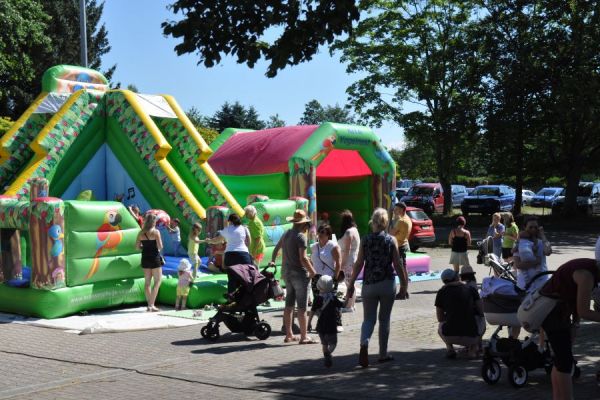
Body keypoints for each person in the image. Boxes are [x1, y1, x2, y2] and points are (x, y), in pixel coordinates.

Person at [346, 208, 409, 367]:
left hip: (369, 284)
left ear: (372, 222)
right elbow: (397, 263)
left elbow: (359, 263)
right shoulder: (391, 240)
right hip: (387, 283)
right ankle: (382, 354)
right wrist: (404, 285)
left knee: (368, 319)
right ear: (386, 222)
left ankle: (364, 343)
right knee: (384, 319)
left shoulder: (365, 240)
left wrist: (351, 283)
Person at [540, 256, 600, 400]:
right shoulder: (587, 275)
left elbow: (576, 299)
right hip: (552, 313)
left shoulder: (589, 267)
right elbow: (583, 310)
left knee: (560, 361)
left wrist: (575, 324)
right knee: (565, 363)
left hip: (555, 312)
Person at [270, 209, 317, 344]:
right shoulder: (301, 236)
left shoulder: (286, 234)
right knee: (302, 307)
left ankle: (289, 334)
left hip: (286, 272)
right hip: (299, 274)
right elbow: (303, 258)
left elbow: (276, 249)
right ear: (303, 224)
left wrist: (273, 260)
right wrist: (313, 272)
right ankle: (304, 336)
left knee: (288, 305)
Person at [435, 269, 483, 359]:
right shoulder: (470, 289)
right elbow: (481, 311)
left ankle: (450, 348)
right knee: (481, 320)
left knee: (440, 325)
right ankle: (473, 349)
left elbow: (440, 318)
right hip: (471, 336)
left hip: (449, 336)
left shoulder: (441, 292)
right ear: (457, 277)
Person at [308, 224, 342, 332]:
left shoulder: (333, 246)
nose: (320, 234)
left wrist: (335, 277)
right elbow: (311, 261)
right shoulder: (314, 246)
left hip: (329, 278)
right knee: (318, 302)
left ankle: (337, 323)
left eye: (323, 232)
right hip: (316, 278)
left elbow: (338, 262)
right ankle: (322, 323)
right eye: (319, 232)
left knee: (332, 301)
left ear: (328, 235)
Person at [311, 275, 345, 367]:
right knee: (333, 343)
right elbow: (343, 305)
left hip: (321, 326)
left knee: (324, 343)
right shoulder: (333, 298)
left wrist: (309, 322)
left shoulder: (317, 298)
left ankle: (326, 356)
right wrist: (348, 295)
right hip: (331, 325)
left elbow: (312, 311)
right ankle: (328, 355)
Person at [513, 216, 552, 292]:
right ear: (524, 227)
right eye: (530, 227)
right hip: (524, 285)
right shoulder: (519, 243)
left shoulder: (541, 242)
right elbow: (518, 265)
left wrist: (542, 235)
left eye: (535, 227)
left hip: (541, 283)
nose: (533, 229)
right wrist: (535, 262)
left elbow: (548, 252)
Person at [135, 213, 163, 312]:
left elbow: (137, 247)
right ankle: (151, 305)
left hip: (145, 258)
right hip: (154, 258)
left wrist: (145, 247)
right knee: (157, 281)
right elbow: (160, 247)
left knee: (147, 282)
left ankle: (149, 304)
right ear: (154, 222)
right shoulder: (156, 232)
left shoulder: (140, 233)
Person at [338, 210, 360, 312]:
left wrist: (342, 264)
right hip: (354, 258)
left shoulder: (348, 232)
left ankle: (349, 306)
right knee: (351, 283)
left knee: (349, 283)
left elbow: (347, 250)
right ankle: (351, 304)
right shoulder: (355, 229)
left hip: (348, 260)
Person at [389, 202, 412, 294]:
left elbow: (390, 233)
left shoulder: (401, 221)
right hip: (403, 244)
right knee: (403, 269)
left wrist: (392, 223)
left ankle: (403, 291)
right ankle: (404, 290)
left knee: (401, 270)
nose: (394, 211)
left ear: (402, 210)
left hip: (399, 246)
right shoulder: (407, 218)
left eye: (396, 209)